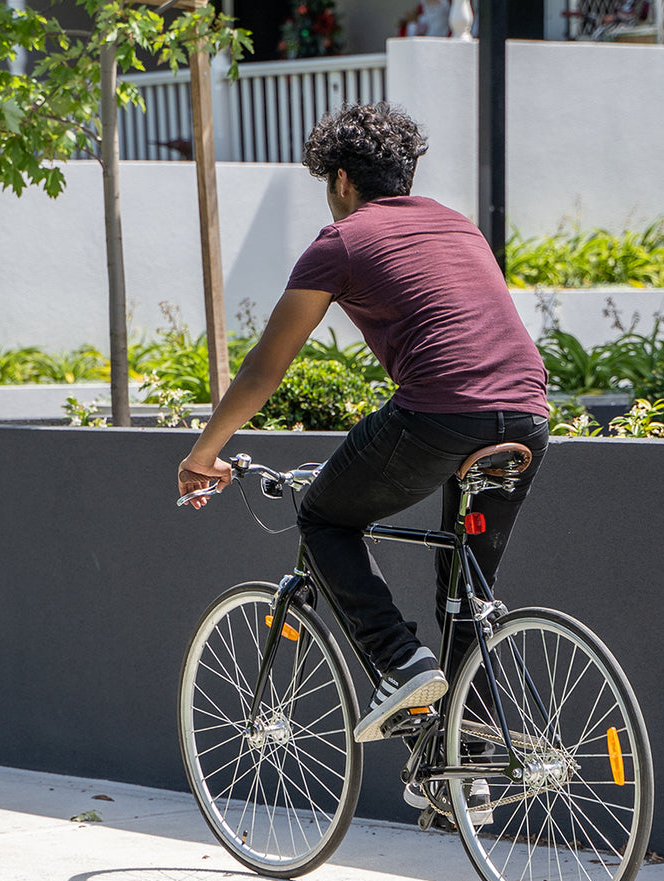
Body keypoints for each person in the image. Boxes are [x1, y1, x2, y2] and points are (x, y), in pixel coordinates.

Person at [177, 102, 548, 749]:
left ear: (341, 179)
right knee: (464, 597)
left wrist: (204, 451)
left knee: (324, 515)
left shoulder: (342, 241)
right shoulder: (459, 228)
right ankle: (472, 765)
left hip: (440, 414)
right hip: (527, 415)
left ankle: (400, 663)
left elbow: (266, 370)